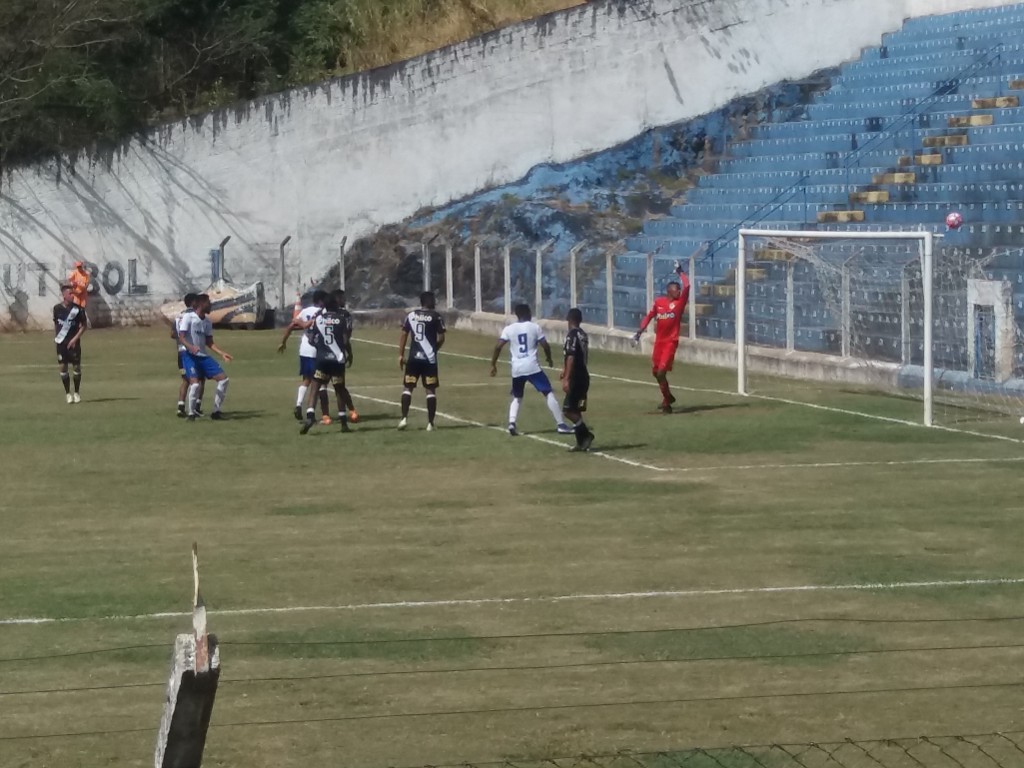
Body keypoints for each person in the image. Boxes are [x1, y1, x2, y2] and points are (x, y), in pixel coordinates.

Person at [489, 303, 572, 436]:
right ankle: (561, 424)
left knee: (517, 396)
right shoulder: (534, 327)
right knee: (548, 392)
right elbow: (545, 345)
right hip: (532, 367)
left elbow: (498, 346)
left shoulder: (509, 329)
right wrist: (549, 359)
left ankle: (511, 423)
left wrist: (493, 364)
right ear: (527, 313)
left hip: (517, 369)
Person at [632, 259, 691, 413]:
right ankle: (668, 399)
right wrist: (640, 331)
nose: (679, 292)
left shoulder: (679, 304)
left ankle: (667, 401)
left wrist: (680, 272)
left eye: (679, 290)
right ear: (669, 291)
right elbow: (649, 316)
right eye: (676, 289)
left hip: (670, 342)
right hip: (659, 342)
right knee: (655, 373)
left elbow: (688, 286)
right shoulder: (659, 303)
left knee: (661, 372)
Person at [300, 294, 352, 434]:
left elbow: (310, 338)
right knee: (339, 389)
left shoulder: (319, 320)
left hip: (322, 359)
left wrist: (319, 346)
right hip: (337, 359)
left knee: (315, 387)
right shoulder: (341, 319)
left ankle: (310, 415)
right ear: (335, 305)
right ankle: (343, 423)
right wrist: (349, 354)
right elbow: (346, 340)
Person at [178, 293, 233, 420]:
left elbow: (209, 342)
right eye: (209, 303)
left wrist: (222, 353)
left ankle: (216, 411)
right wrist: (190, 347)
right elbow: (181, 337)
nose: (211, 306)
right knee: (195, 384)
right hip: (189, 355)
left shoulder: (208, 322)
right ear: (201, 304)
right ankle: (191, 413)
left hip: (202, 356)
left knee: (224, 379)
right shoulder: (188, 317)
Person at [397, 291, 445, 431]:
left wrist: (400, 355)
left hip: (413, 358)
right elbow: (441, 338)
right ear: (431, 302)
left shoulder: (411, 316)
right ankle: (430, 424)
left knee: (408, 388)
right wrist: (434, 349)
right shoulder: (436, 316)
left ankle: (404, 419)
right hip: (429, 359)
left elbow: (404, 334)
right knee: (430, 390)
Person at [278, 290, 328, 420]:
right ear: (321, 301)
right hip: (317, 350)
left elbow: (292, 323)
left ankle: (299, 404)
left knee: (306, 379)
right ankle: (321, 414)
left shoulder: (306, 311)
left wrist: (283, 342)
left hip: (304, 349)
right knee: (321, 382)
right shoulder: (324, 312)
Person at [561, 307, 593, 452]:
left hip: (576, 377)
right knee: (576, 409)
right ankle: (581, 442)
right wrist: (564, 370)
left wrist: (567, 377)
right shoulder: (583, 334)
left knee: (567, 410)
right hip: (583, 375)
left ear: (569, 319)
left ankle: (586, 434)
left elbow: (571, 355)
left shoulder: (572, 335)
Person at [53, 284, 87, 403]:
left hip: (74, 344)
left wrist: (75, 339)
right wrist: (57, 338)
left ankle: (77, 393)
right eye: (70, 293)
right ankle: (68, 393)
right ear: (64, 295)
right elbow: (57, 324)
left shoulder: (78, 309)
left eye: (73, 293)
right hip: (61, 343)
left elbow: (84, 326)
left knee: (76, 367)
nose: (73, 296)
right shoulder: (57, 309)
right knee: (63, 367)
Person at [333, 289, 359, 424]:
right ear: (337, 299)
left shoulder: (323, 314)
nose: (344, 300)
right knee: (339, 386)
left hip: (324, 354)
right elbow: (347, 335)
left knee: (323, 386)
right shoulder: (344, 315)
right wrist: (349, 351)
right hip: (338, 354)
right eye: (342, 298)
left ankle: (324, 415)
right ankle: (349, 411)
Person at [174, 293, 199, 417]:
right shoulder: (193, 316)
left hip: (180, 352)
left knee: (185, 380)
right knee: (198, 379)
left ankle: (180, 406)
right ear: (193, 302)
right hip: (191, 352)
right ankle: (195, 408)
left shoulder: (178, 317)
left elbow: (173, 334)